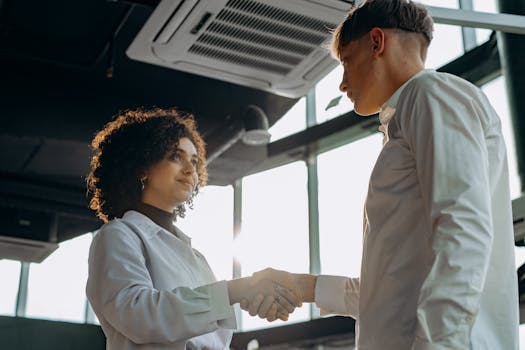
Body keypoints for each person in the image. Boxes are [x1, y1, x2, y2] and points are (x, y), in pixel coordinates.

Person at [242, 1, 519, 349]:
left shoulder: (429, 93)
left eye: (346, 62)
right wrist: (304, 287)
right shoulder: (415, 110)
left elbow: (463, 228)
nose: (342, 84)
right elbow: (393, 292)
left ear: (376, 43)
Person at [85, 107, 300, 350]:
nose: (190, 170)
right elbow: (138, 316)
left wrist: (249, 295)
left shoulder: (197, 258)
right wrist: (234, 291)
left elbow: (215, 335)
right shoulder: (118, 235)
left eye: (195, 161)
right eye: (176, 156)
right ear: (142, 165)